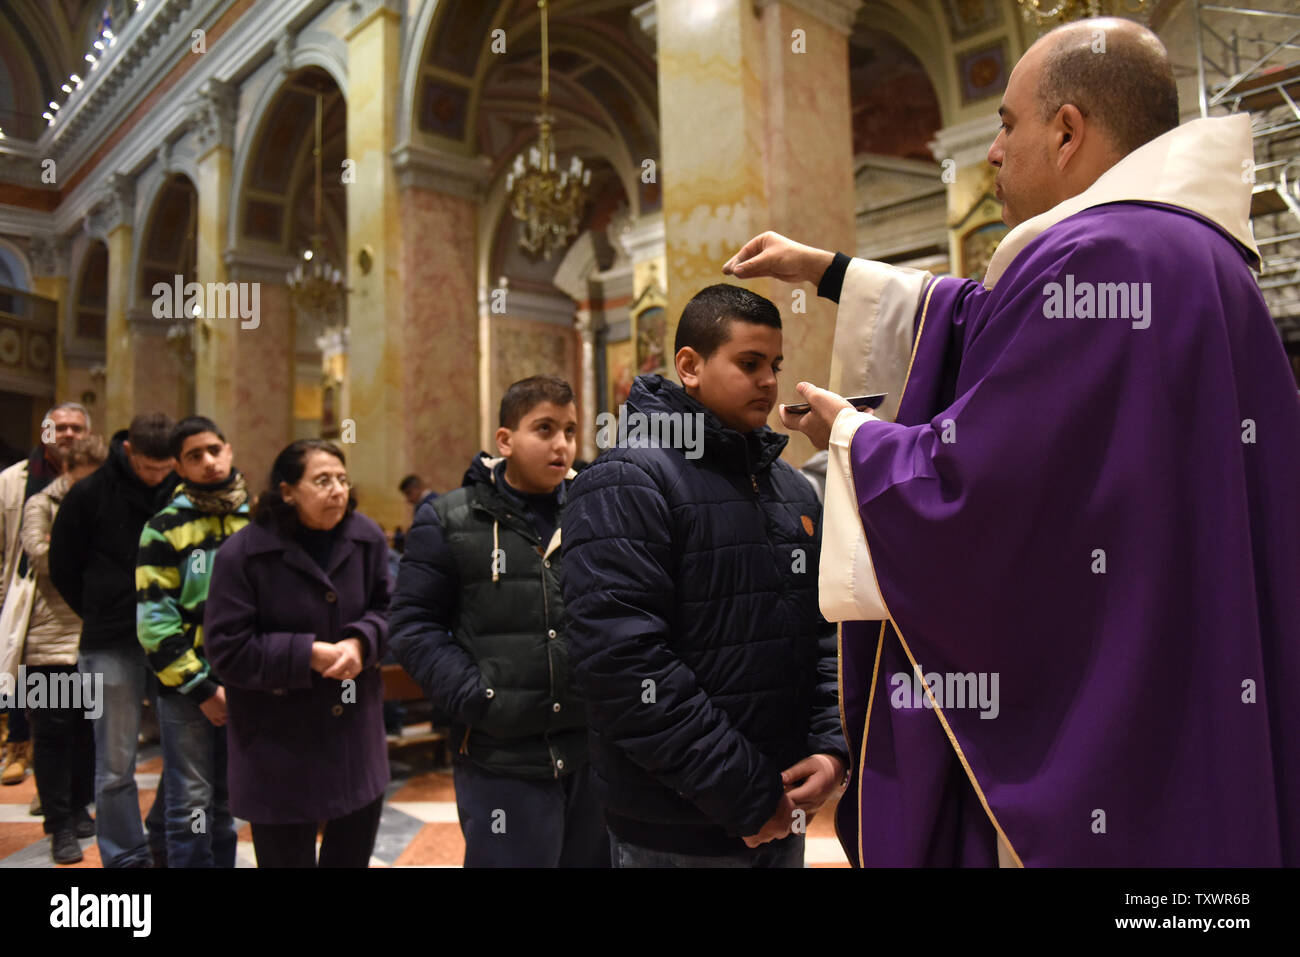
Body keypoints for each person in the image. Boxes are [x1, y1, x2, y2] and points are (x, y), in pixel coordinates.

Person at [723, 17, 1300, 866]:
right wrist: (830, 271)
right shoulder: (1187, 251)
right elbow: (981, 321)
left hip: (1120, 723)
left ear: (1066, 132)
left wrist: (853, 438)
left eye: (1004, 123)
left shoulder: (1102, 254)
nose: (991, 152)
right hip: (1194, 660)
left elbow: (979, 493)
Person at [562, 285, 848, 868]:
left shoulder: (789, 487)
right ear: (689, 366)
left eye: (775, 365)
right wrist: (743, 793)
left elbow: (823, 633)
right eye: (749, 364)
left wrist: (827, 750)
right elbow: (625, 665)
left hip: (783, 801)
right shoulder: (627, 479)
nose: (769, 382)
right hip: (675, 822)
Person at [391, 375, 606, 867]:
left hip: (589, 748)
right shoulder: (450, 519)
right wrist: (476, 694)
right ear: (505, 440)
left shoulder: (595, 510)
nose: (562, 445)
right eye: (545, 428)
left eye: (570, 431)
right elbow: (411, 624)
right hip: (501, 755)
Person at [203, 440, 389, 867]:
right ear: (287, 491)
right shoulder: (244, 553)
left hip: (353, 739)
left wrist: (362, 641)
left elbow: (392, 610)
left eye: (342, 480)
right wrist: (307, 653)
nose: (337, 490)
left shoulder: (367, 538)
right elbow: (226, 649)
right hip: (277, 745)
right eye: (322, 481)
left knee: (350, 856)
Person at [49, 412, 177, 868]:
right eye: (149, 468)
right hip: (110, 641)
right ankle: (125, 855)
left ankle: (165, 837)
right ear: (129, 451)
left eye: (166, 468)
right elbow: (62, 565)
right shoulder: (89, 494)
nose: (157, 476)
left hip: (171, 639)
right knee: (115, 760)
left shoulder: (178, 490)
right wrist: (101, 610)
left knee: (185, 754)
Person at [135, 417, 249, 868]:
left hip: (244, 679)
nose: (209, 462)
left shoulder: (254, 519)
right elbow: (155, 623)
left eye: (214, 450)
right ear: (179, 467)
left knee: (227, 799)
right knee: (190, 804)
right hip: (187, 689)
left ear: (229, 450)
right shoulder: (163, 527)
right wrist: (201, 689)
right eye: (194, 456)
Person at [20, 433, 105, 863]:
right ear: (66, 473)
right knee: (51, 733)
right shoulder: (41, 505)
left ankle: (78, 806)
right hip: (47, 638)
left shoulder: (105, 503)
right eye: (82, 482)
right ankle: (58, 827)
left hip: (90, 635)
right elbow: (41, 556)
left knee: (86, 728)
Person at [0, 402, 89, 787]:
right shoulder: (14, 480)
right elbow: (30, 550)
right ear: (45, 434)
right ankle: (19, 749)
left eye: (76, 428)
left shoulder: (99, 484)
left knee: (78, 715)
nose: (68, 434)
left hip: (81, 612)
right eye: (60, 427)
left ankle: (64, 792)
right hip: (27, 597)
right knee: (28, 688)